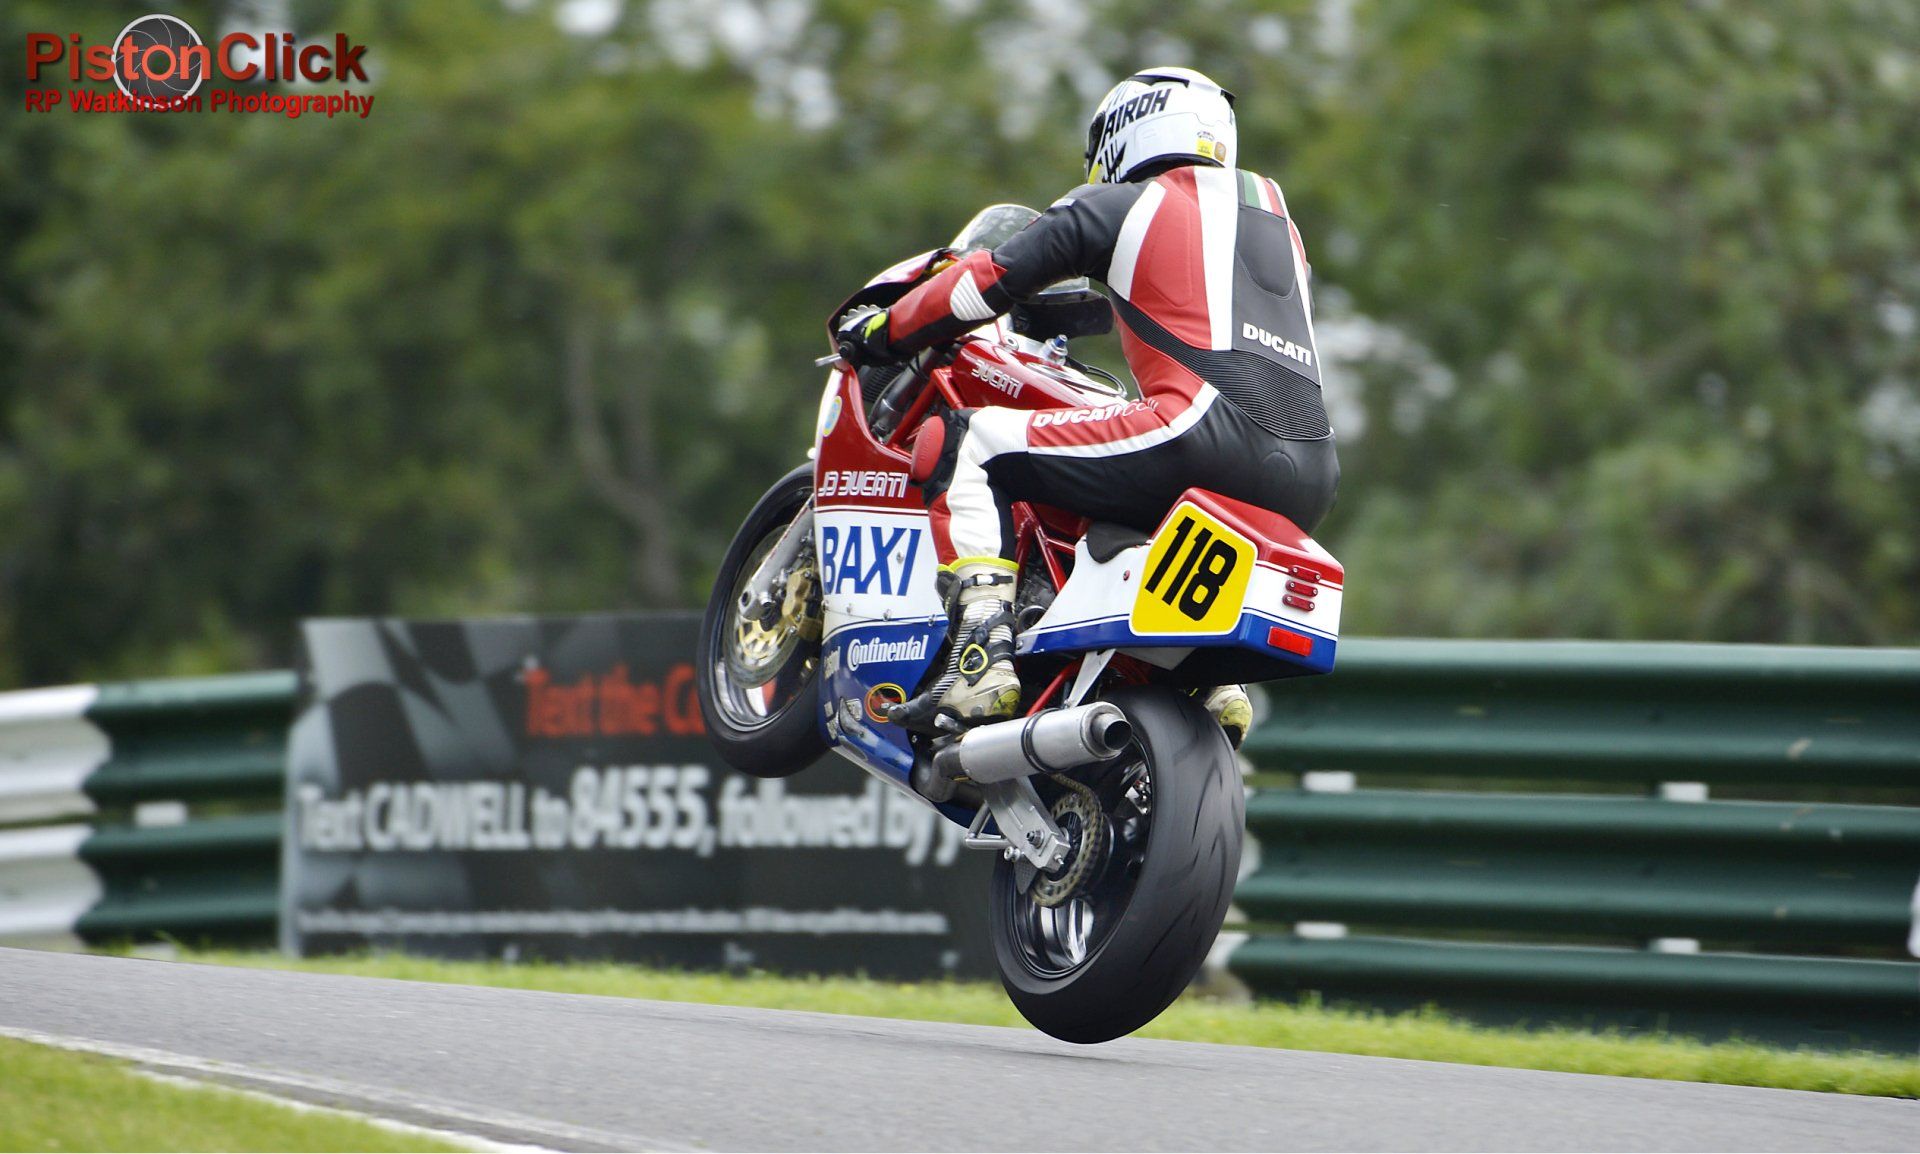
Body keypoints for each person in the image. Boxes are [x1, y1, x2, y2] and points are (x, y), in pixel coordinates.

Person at [836, 66, 1338, 742]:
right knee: (1145, 496)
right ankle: (1213, 683)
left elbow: (990, 281)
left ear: (1129, 131)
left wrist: (887, 328)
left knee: (973, 444)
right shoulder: (1282, 228)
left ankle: (980, 656)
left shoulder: (1125, 205)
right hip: (1310, 476)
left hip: (1195, 429)